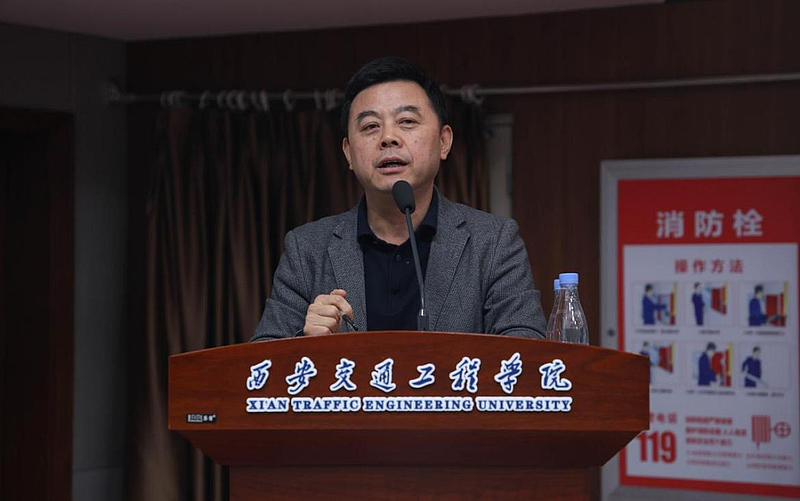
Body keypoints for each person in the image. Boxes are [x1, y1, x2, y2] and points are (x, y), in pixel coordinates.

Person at [251, 57, 546, 341]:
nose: (388, 138)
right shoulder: (307, 249)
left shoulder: (494, 243)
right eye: (370, 126)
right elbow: (260, 362)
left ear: (444, 141)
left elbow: (527, 349)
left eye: (407, 121)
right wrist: (305, 342)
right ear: (349, 153)